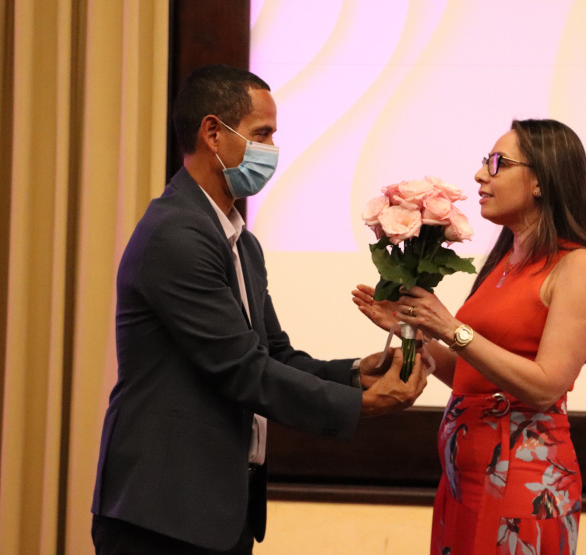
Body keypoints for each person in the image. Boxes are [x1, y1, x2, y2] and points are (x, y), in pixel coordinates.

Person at [91, 64, 426, 555]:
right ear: (212, 133)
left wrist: (357, 374)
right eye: (262, 134)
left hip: (218, 510)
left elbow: (275, 355)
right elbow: (242, 371)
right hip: (162, 513)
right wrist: (360, 407)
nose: (272, 149)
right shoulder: (177, 235)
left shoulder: (238, 243)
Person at [353, 119, 586, 554]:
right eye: (485, 162)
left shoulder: (579, 266)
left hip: (523, 478)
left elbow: (545, 386)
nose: (481, 175)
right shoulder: (506, 259)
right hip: (467, 471)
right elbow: (476, 375)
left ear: (540, 181)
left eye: (498, 163)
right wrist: (413, 333)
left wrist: (450, 328)